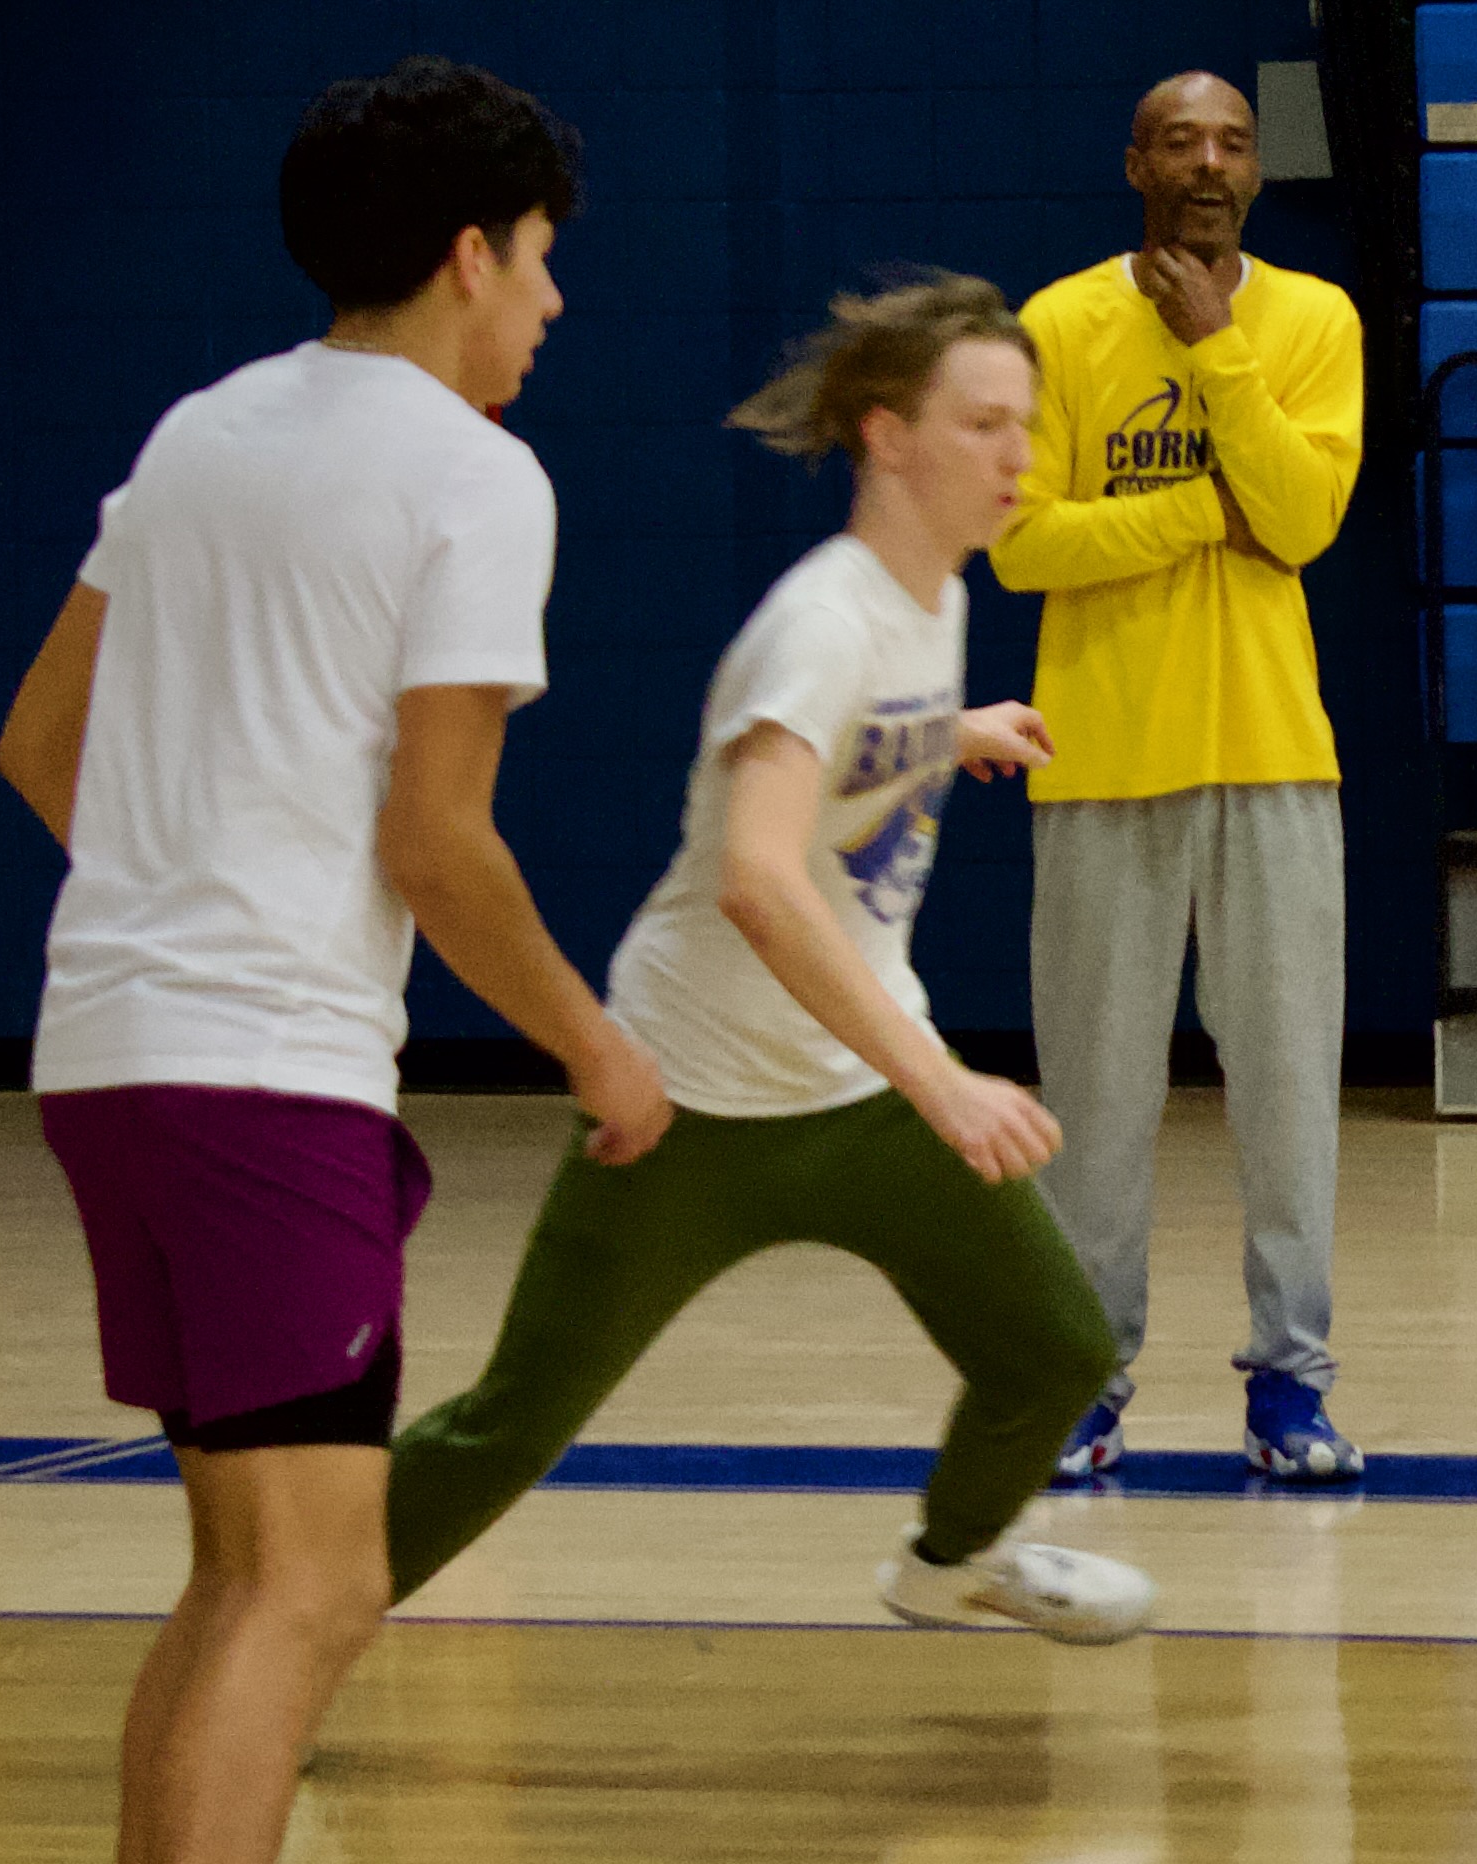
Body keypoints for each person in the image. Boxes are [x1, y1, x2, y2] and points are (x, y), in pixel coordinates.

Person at [5, 58, 668, 1864]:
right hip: (265, 1071)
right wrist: (593, 1042)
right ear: (473, 247)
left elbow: (38, 741)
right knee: (313, 1582)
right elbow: (437, 838)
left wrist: (186, 910)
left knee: (237, 1579)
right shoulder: (473, 476)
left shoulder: (203, 427)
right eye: (548, 261)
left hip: (112, 1051)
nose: (557, 308)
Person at [379, 274, 1154, 1647]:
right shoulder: (823, 620)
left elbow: (856, 742)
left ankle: (946, 1565)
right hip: (690, 1102)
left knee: (1057, 1352)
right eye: (983, 426)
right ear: (886, 437)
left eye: (1025, 426)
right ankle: (284, 1631)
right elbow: (757, 878)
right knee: (512, 1424)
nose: (1020, 459)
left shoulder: (933, 602)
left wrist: (944, 731)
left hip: (849, 1091)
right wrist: (943, 1083)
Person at [991, 69, 1367, 1484]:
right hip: (1101, 754)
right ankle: (1086, 1382)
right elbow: (1025, 544)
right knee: (1094, 1101)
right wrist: (1206, 508)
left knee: (1286, 1092)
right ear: (1134, 159)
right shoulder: (1059, 322)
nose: (1208, 160)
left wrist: (1217, 351)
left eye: (1232, 141)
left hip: (1274, 754)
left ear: (1257, 169)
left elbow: (1308, 520)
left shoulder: (1312, 321)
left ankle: (1293, 1383)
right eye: (1180, 140)